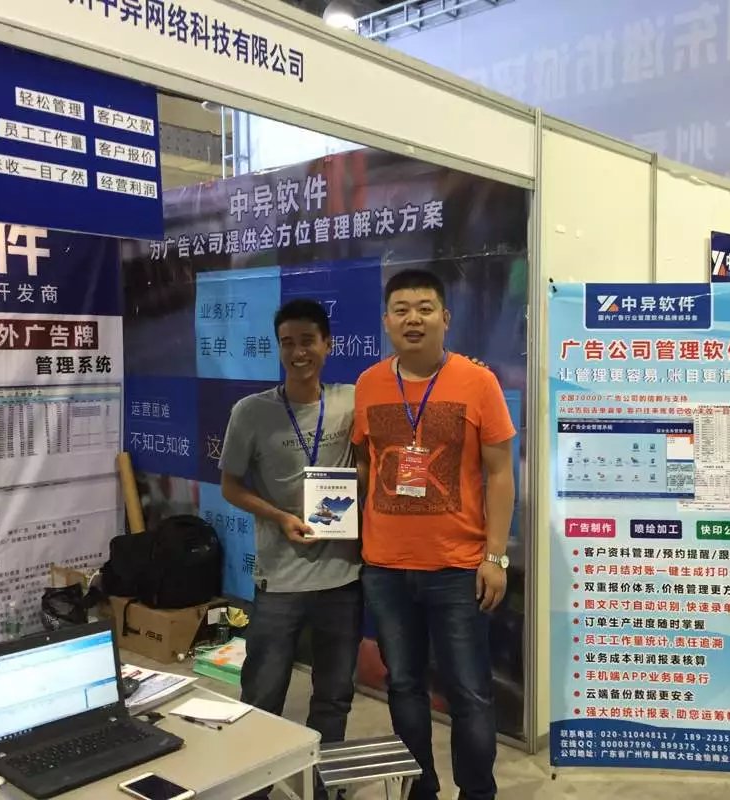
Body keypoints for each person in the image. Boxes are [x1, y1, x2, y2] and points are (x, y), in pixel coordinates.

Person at [352, 269, 516, 800]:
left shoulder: (478, 382)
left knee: (469, 692)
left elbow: (500, 474)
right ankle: (420, 788)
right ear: (386, 321)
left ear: (445, 318)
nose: (413, 319)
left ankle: (477, 792)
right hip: (386, 568)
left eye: (425, 308)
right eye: (401, 309)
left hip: (457, 569)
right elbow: (365, 464)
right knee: (403, 686)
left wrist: (495, 556)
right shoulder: (369, 384)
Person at [219, 299, 362, 800]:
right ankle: (252, 790)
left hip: (343, 577)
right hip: (279, 580)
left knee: (335, 696)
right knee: (262, 693)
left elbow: (408, 394)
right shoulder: (251, 412)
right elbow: (230, 486)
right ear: (278, 348)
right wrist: (279, 517)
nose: (299, 352)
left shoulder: (352, 400)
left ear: (328, 345)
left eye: (308, 341)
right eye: (288, 343)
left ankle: (324, 788)